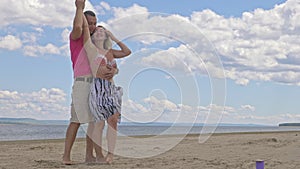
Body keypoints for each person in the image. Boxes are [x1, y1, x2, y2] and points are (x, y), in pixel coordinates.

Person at [62, 0, 117, 165]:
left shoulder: (95, 43)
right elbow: (78, 28)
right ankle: (66, 156)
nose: (92, 27)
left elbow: (109, 59)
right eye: (89, 23)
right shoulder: (76, 37)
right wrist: (79, 8)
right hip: (81, 83)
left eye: (94, 23)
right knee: (77, 120)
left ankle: (90, 156)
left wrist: (114, 70)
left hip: (95, 85)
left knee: (94, 122)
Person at [82, 12, 131, 164]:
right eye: (97, 31)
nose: (100, 33)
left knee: (113, 121)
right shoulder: (90, 48)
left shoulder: (110, 52)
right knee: (99, 123)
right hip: (97, 88)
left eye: (103, 32)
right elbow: (85, 31)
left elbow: (127, 51)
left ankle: (110, 155)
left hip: (111, 88)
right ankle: (99, 155)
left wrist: (113, 37)